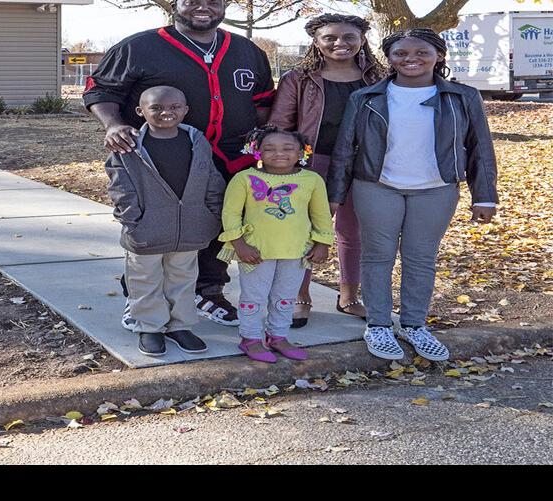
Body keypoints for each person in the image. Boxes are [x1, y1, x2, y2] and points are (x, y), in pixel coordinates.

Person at [84, 0, 274, 328]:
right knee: (156, 228)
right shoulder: (139, 47)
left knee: (222, 226)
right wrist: (113, 124)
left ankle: (208, 291)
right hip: (165, 156)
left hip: (231, 155)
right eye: (192, 0)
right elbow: (100, 90)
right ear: (176, 5)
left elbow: (261, 102)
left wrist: (263, 142)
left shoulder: (246, 50)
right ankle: (142, 297)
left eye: (213, 1)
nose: (203, 7)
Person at [328, 28, 499, 362]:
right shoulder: (366, 97)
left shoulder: (463, 96)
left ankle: (414, 324)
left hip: (436, 189)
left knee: (421, 258)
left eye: (421, 52)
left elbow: (481, 146)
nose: (411, 60)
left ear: (439, 55)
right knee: (378, 255)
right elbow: (345, 149)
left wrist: (485, 196)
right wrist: (335, 194)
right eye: (400, 54)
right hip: (376, 186)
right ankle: (378, 324)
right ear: (389, 58)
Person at [268, 13, 389, 328]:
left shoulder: (377, 77)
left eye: (349, 37)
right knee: (306, 230)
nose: (340, 43)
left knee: (352, 231)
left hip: (362, 163)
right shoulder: (300, 78)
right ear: (316, 42)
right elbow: (280, 123)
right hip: (313, 163)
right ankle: (300, 295)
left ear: (362, 40)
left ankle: (349, 296)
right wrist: (285, 164)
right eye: (330, 37)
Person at [105, 86, 226, 357]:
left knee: (183, 278)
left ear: (185, 110)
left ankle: (180, 326)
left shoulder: (196, 140)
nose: (166, 113)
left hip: (190, 228)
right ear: (140, 111)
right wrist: (132, 219)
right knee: (145, 279)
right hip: (146, 230)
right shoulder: (129, 145)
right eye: (156, 108)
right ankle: (149, 326)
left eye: (174, 107)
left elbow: (211, 178)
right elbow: (119, 184)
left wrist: (211, 215)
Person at [218, 127, 334, 363]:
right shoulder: (245, 179)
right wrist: (239, 244)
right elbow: (230, 214)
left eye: (288, 148)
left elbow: (321, 215)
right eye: (269, 148)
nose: (279, 153)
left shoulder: (311, 180)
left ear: (302, 152)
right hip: (256, 252)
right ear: (257, 152)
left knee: (286, 296)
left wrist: (322, 243)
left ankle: (278, 336)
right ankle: (250, 338)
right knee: (254, 296)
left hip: (296, 251)